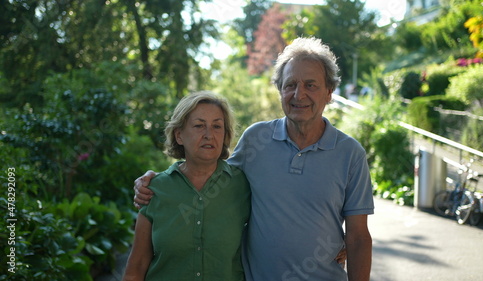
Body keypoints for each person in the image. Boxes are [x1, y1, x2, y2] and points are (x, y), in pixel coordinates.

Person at [134, 37, 373, 280]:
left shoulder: (350, 154)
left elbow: (358, 238)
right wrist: (155, 181)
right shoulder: (256, 139)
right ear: (280, 90)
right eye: (290, 85)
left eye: (310, 85)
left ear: (329, 93)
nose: (299, 94)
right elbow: (210, 175)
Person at [123, 92, 251, 280]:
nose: (209, 135)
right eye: (199, 126)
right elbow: (137, 266)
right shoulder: (155, 190)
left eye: (217, 126)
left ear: (225, 136)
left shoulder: (244, 185)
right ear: (179, 135)